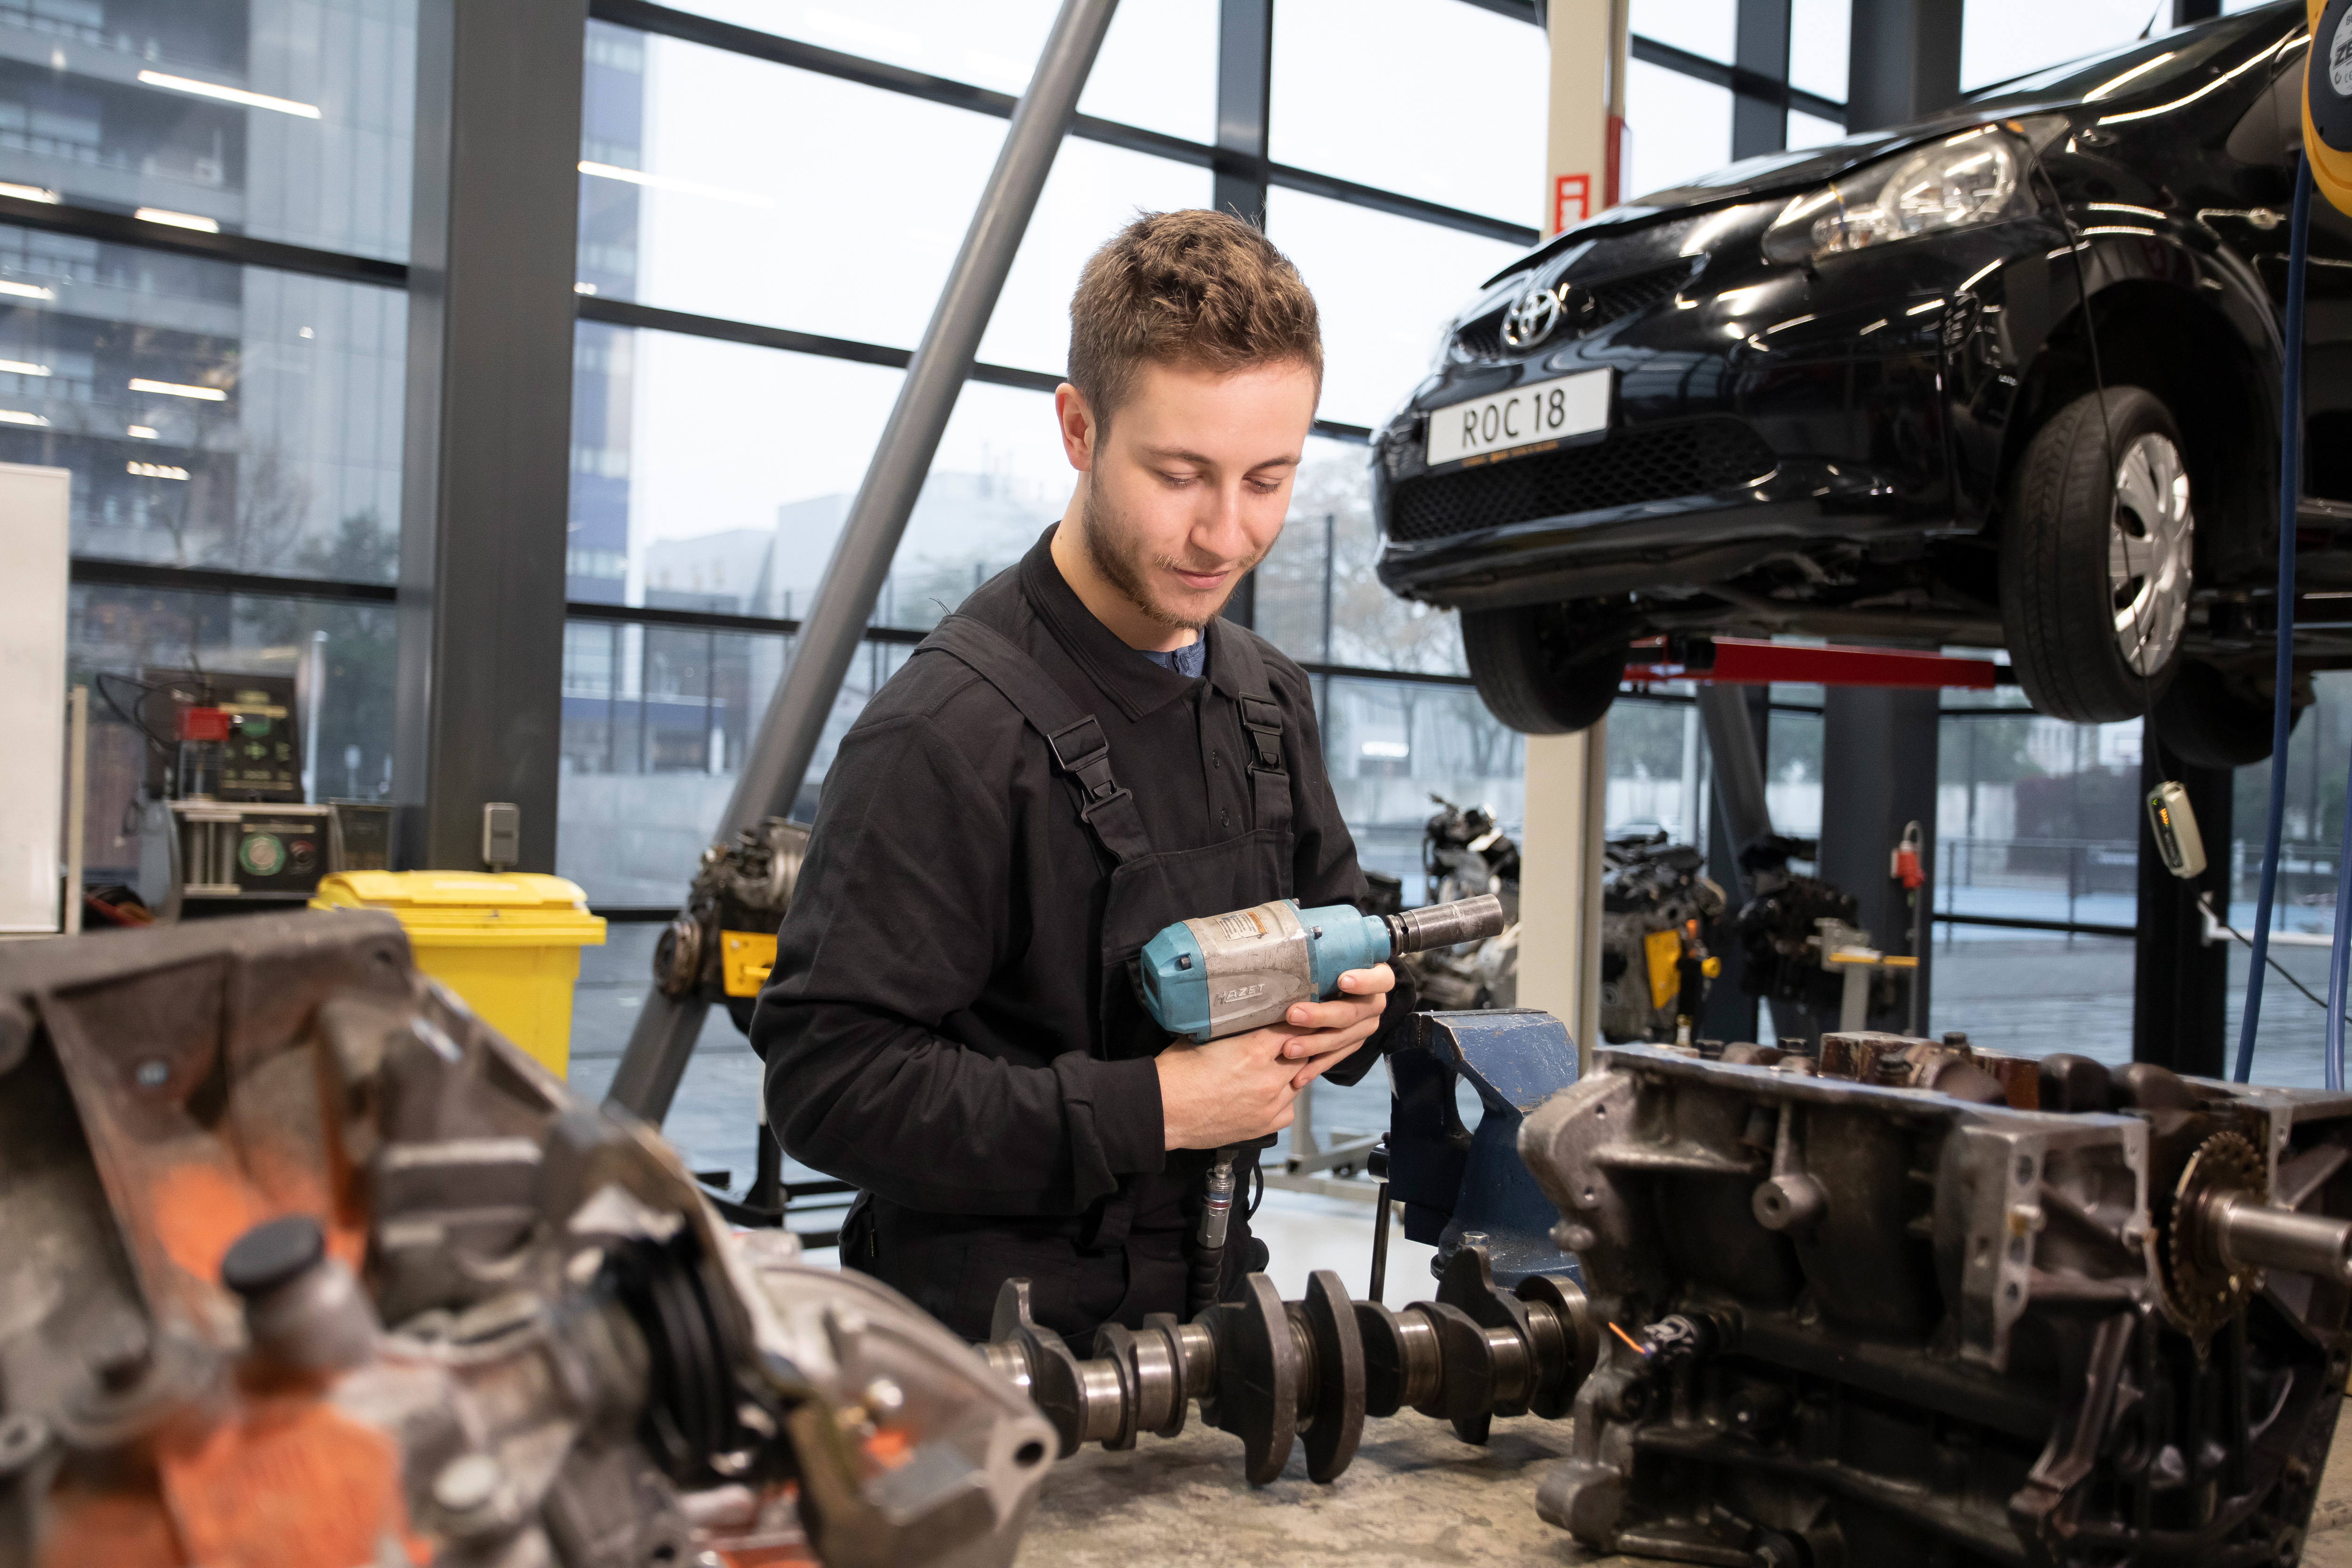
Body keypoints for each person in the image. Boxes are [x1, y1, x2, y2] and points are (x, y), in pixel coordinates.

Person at [753, 209, 1416, 1349]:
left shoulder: (1266, 701)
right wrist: (1154, 1106)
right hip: (985, 1351)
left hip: (1215, 1319)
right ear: (1078, 427)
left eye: (1269, 478)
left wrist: (1351, 1013)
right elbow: (829, 1079)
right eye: (1180, 474)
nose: (1224, 532)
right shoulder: (944, 733)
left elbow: (1337, 924)